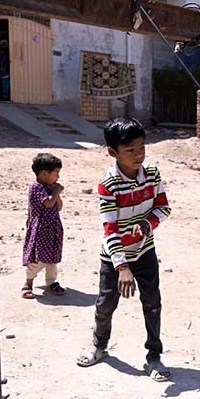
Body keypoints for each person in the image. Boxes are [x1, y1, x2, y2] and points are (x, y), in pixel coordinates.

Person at [77, 118, 172, 381]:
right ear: (113, 152)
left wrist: (146, 223)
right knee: (105, 304)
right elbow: (110, 230)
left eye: (142, 148)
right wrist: (122, 267)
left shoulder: (152, 174)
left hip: (145, 252)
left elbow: (163, 208)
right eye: (130, 150)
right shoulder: (108, 184)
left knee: (152, 304)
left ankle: (154, 356)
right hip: (115, 257)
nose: (138, 155)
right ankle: (99, 346)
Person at [22, 153, 66, 298]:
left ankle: (51, 282)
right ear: (44, 173)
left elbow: (57, 206)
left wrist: (56, 194)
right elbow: (47, 203)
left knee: (53, 259)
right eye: (56, 173)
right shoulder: (36, 188)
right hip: (41, 229)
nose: (58, 177)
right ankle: (28, 283)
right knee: (38, 259)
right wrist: (56, 191)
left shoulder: (51, 188)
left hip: (53, 228)